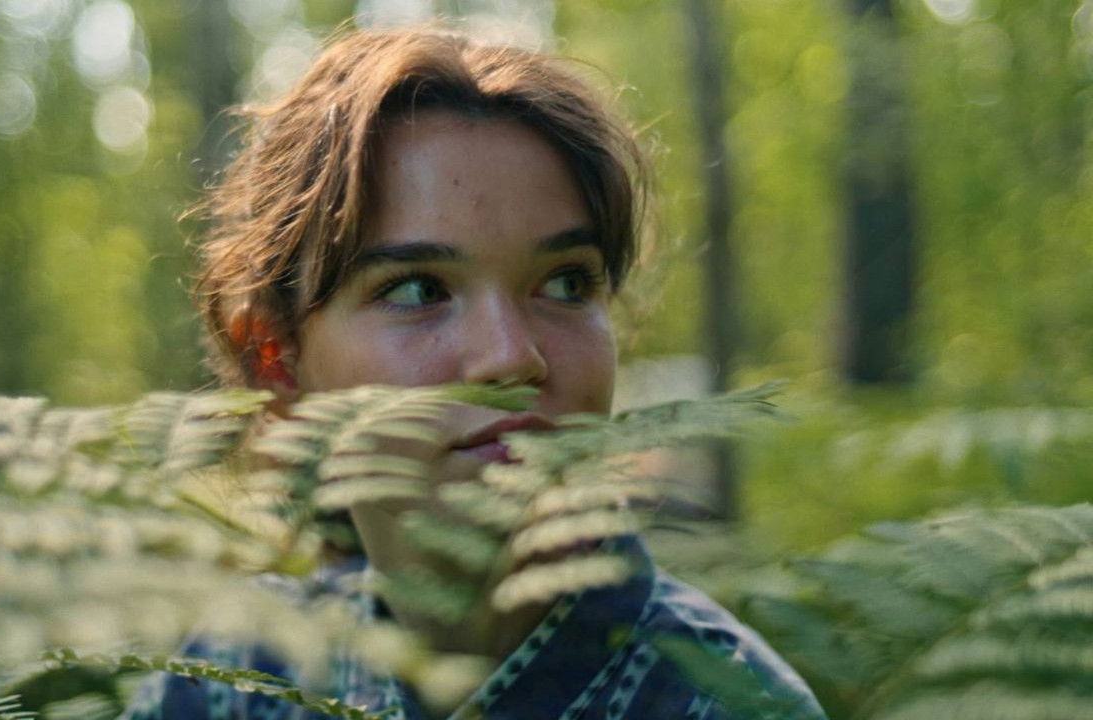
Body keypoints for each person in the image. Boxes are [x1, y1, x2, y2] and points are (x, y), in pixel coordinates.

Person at [124, 27, 826, 720]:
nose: (513, 356)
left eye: (565, 284)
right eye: (418, 290)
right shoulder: (231, 683)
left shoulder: (723, 702)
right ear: (275, 361)